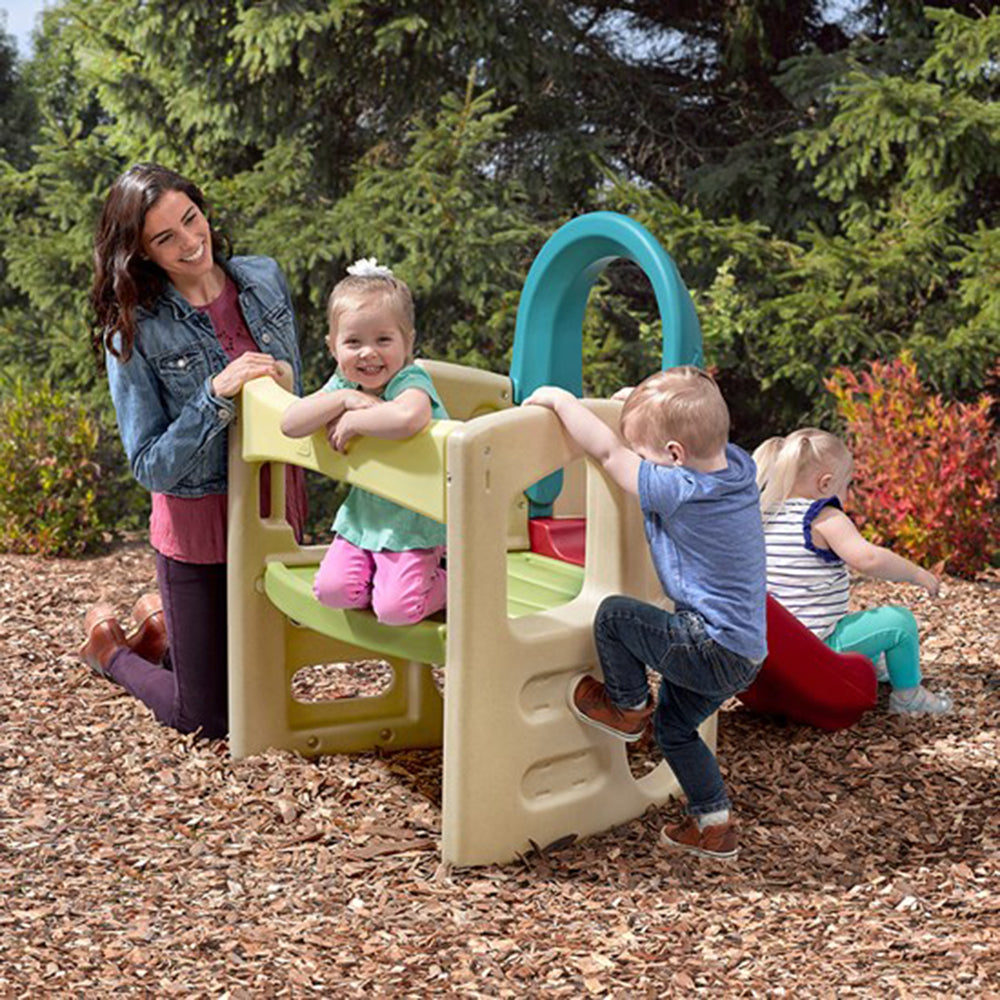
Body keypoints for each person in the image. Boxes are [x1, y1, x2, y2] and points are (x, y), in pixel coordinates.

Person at [81, 163, 306, 738]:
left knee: (260, 693)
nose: (190, 242)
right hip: (198, 526)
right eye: (165, 238)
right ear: (141, 254)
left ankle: (161, 627)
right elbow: (148, 462)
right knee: (206, 719)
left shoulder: (263, 279)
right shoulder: (132, 330)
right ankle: (112, 651)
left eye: (191, 219)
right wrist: (214, 396)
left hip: (274, 511)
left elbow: (294, 396)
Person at [524, 367, 767, 861]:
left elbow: (609, 453)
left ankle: (628, 706)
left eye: (650, 453)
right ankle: (714, 825)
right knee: (677, 730)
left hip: (708, 642)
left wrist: (562, 400)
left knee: (615, 617)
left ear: (675, 456)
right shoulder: (737, 469)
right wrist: (637, 412)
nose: (641, 458)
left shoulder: (681, 489)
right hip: (746, 653)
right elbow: (652, 441)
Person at [280, 259, 448, 626]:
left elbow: (409, 417)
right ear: (332, 346)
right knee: (332, 590)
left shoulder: (409, 379)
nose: (368, 353)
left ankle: (451, 582)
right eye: (353, 342)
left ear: (408, 342)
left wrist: (356, 420)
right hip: (364, 518)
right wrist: (343, 401)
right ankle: (386, 579)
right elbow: (290, 423)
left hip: (414, 523)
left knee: (395, 611)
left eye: (383, 340)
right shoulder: (344, 384)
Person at [753, 428, 951, 715]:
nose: (847, 494)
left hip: (772, 652)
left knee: (851, 621)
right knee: (899, 623)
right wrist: (917, 573)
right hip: (815, 650)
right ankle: (910, 698)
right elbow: (867, 558)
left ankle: (878, 662)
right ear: (826, 483)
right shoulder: (821, 515)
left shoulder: (764, 515)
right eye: (847, 485)